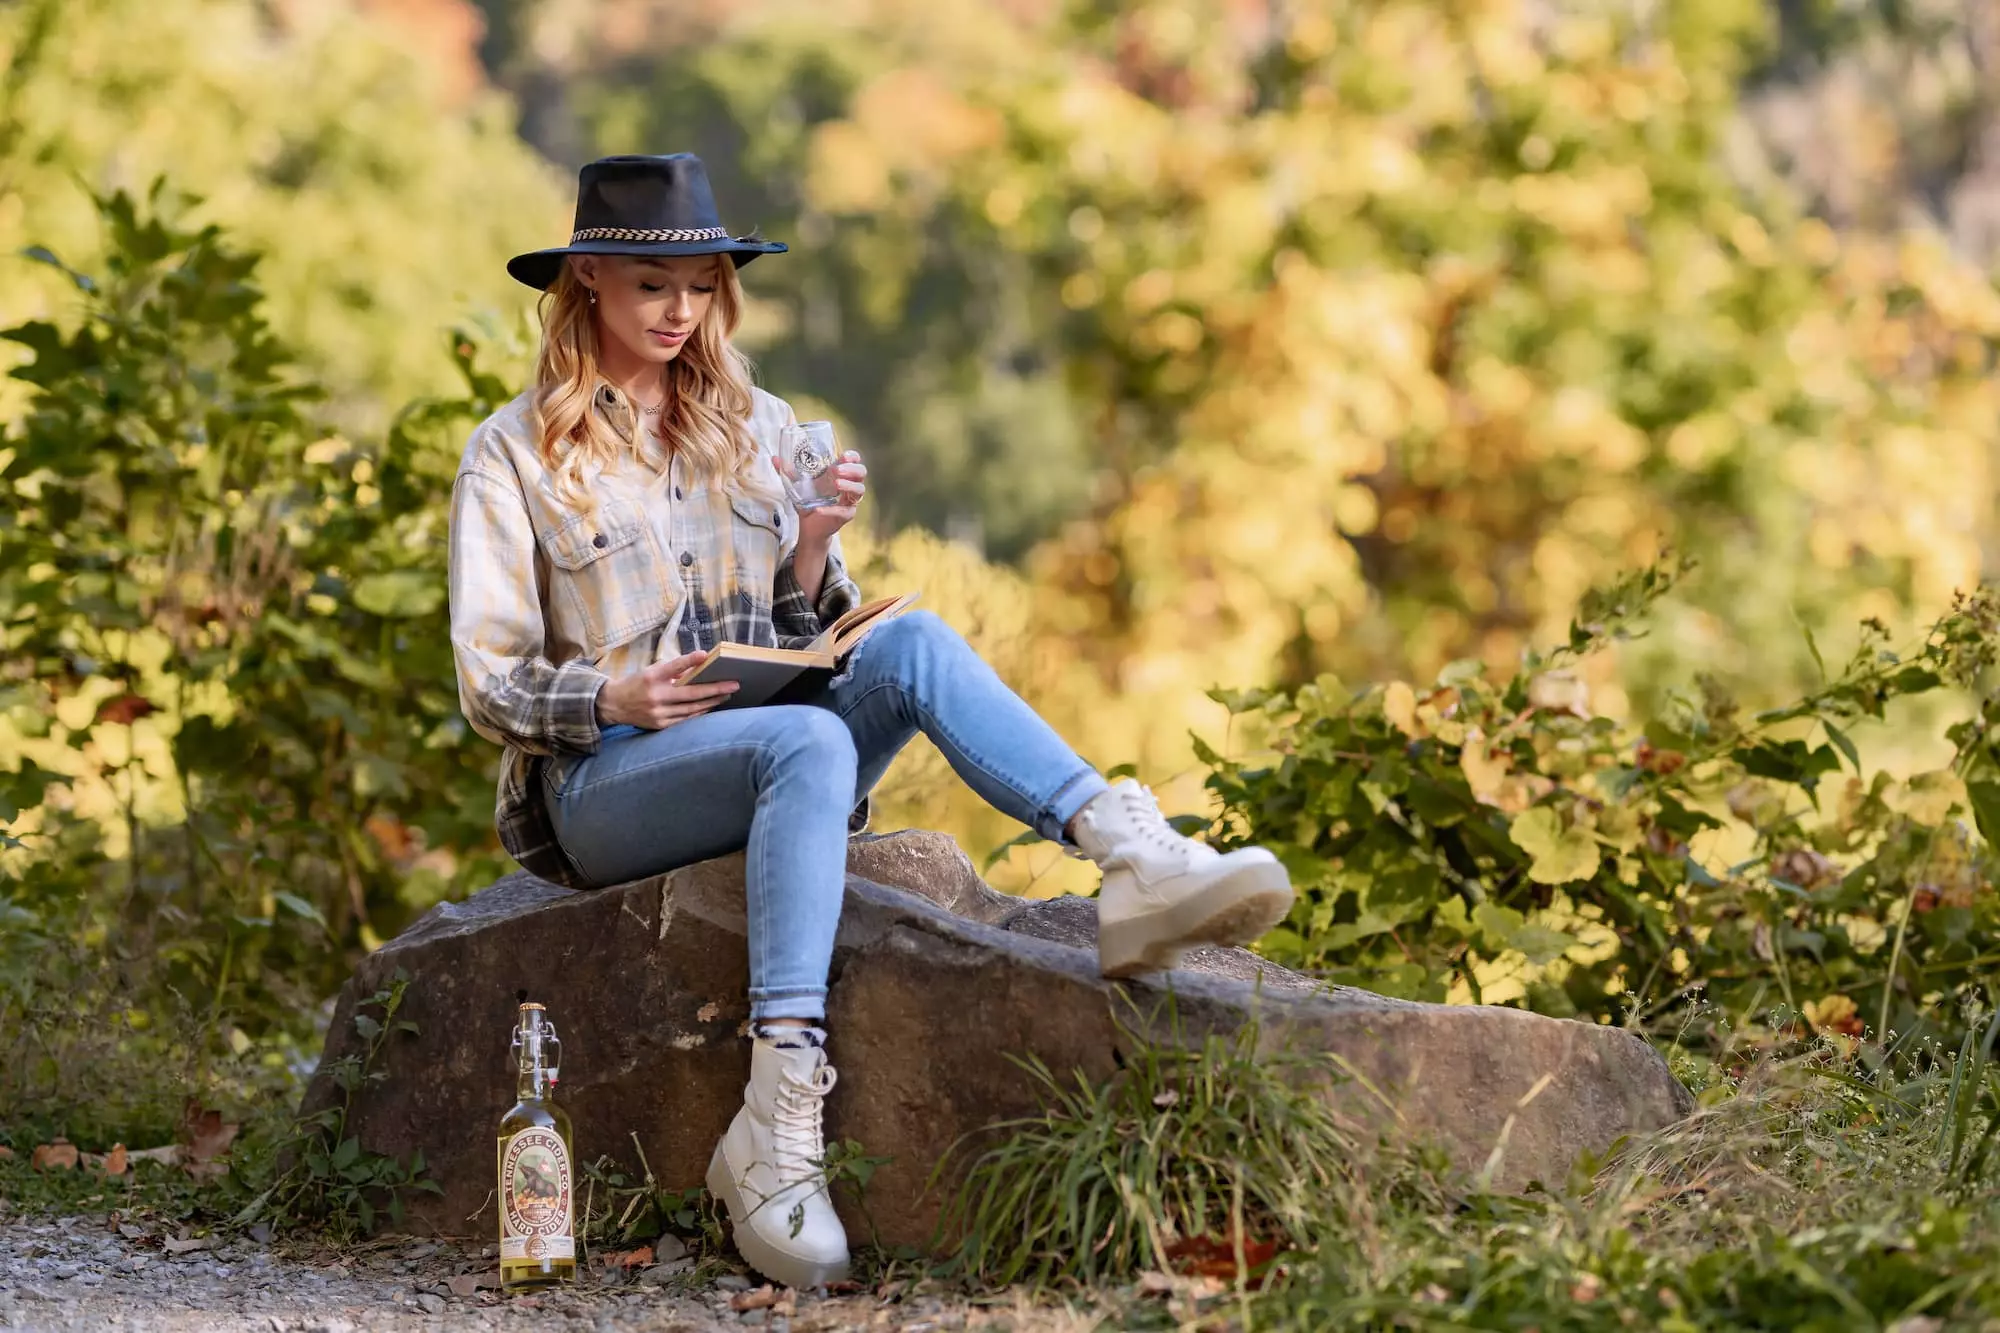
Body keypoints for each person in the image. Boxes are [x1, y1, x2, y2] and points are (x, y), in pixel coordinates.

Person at [448, 154, 1295, 1291]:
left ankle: (1125, 855)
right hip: (607, 781)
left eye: (700, 286)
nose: (680, 310)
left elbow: (819, 625)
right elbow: (488, 677)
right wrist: (611, 695)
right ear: (587, 278)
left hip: (775, 748)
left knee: (911, 640)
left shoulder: (761, 425)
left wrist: (807, 545)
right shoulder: (513, 454)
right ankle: (777, 1129)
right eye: (653, 285)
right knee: (809, 738)